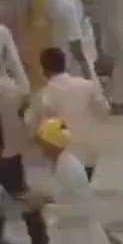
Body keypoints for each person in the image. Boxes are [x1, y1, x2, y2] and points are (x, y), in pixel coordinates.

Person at [24, 49, 111, 182]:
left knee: (67, 192)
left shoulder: (44, 94)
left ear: (44, 70)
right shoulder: (88, 86)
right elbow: (105, 110)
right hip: (90, 150)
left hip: (63, 155)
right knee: (84, 185)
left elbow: (30, 123)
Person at [0, 25, 45, 244]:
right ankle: (39, 238)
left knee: (17, 187)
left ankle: (38, 237)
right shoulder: (3, 31)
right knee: (18, 187)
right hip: (9, 106)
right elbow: (17, 69)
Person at [25, 0, 97, 82]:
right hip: (73, 60)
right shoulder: (66, 5)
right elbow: (75, 43)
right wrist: (85, 68)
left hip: (63, 53)